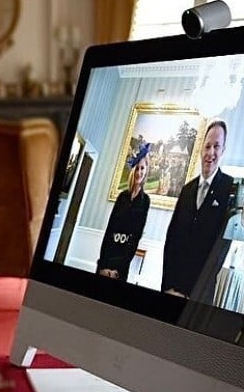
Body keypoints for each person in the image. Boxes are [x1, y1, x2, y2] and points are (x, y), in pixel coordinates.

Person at [162, 120, 235, 303]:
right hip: (172, 290)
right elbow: (171, 241)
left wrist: (193, 295)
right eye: (208, 146)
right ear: (201, 148)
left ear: (223, 150)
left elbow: (219, 251)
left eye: (216, 147)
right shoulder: (186, 190)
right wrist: (168, 287)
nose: (211, 153)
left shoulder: (229, 189)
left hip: (199, 297)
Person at [97, 142, 151, 281]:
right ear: (133, 170)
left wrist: (117, 268)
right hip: (108, 253)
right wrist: (103, 264)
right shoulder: (122, 197)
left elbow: (136, 237)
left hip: (121, 263)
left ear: (146, 171)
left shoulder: (145, 201)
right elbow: (110, 229)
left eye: (142, 168)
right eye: (137, 168)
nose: (139, 172)